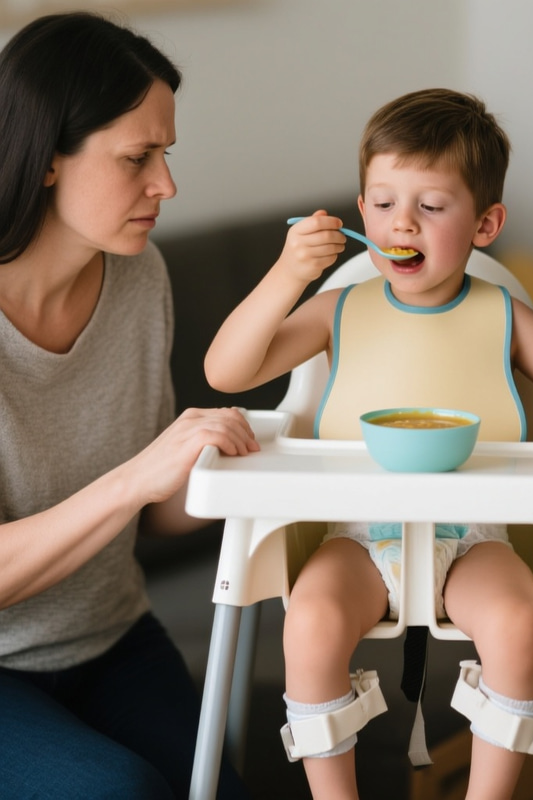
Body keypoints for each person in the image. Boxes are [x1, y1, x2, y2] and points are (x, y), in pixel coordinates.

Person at [205, 87, 533, 800]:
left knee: (517, 623)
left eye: (431, 207)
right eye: (382, 203)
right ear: (361, 212)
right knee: (314, 620)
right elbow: (226, 370)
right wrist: (291, 275)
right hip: (356, 536)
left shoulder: (506, 317)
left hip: (473, 539)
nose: (400, 224)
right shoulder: (339, 311)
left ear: (485, 223)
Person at [0, 12, 259, 799]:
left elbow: (161, 516)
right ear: (47, 157)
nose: (166, 185)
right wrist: (138, 476)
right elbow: (134, 488)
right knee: (118, 790)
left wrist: (252, 456)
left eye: (166, 154)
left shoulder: (140, 278)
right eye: (137, 157)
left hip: (114, 636)